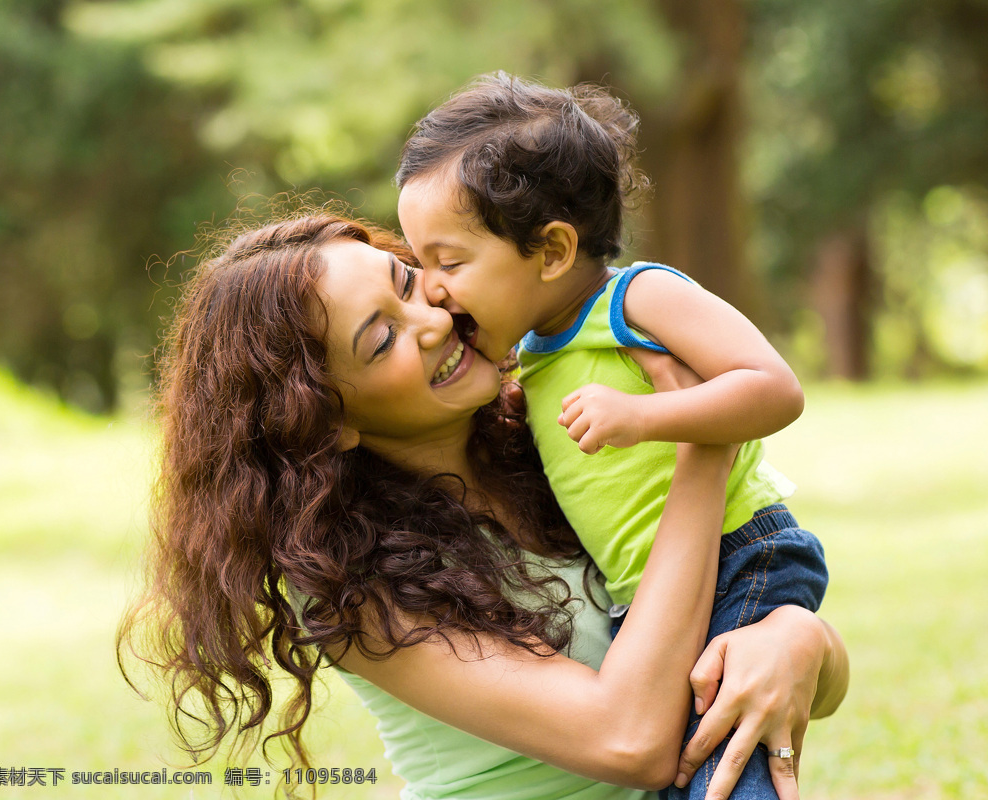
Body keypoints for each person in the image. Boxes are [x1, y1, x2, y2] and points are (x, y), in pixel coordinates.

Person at [118, 213, 848, 800]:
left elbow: (746, 630)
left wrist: (797, 639)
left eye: (408, 281)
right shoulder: (352, 584)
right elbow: (629, 740)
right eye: (382, 338)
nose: (430, 318)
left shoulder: (557, 433)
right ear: (324, 420)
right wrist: (701, 440)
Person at [395, 74, 829, 798]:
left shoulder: (636, 300)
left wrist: (648, 417)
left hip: (738, 555)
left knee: (723, 767)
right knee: (688, 764)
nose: (433, 290)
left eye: (451, 262)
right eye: (419, 264)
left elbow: (774, 387)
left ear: (553, 250)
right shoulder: (530, 354)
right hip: (652, 593)